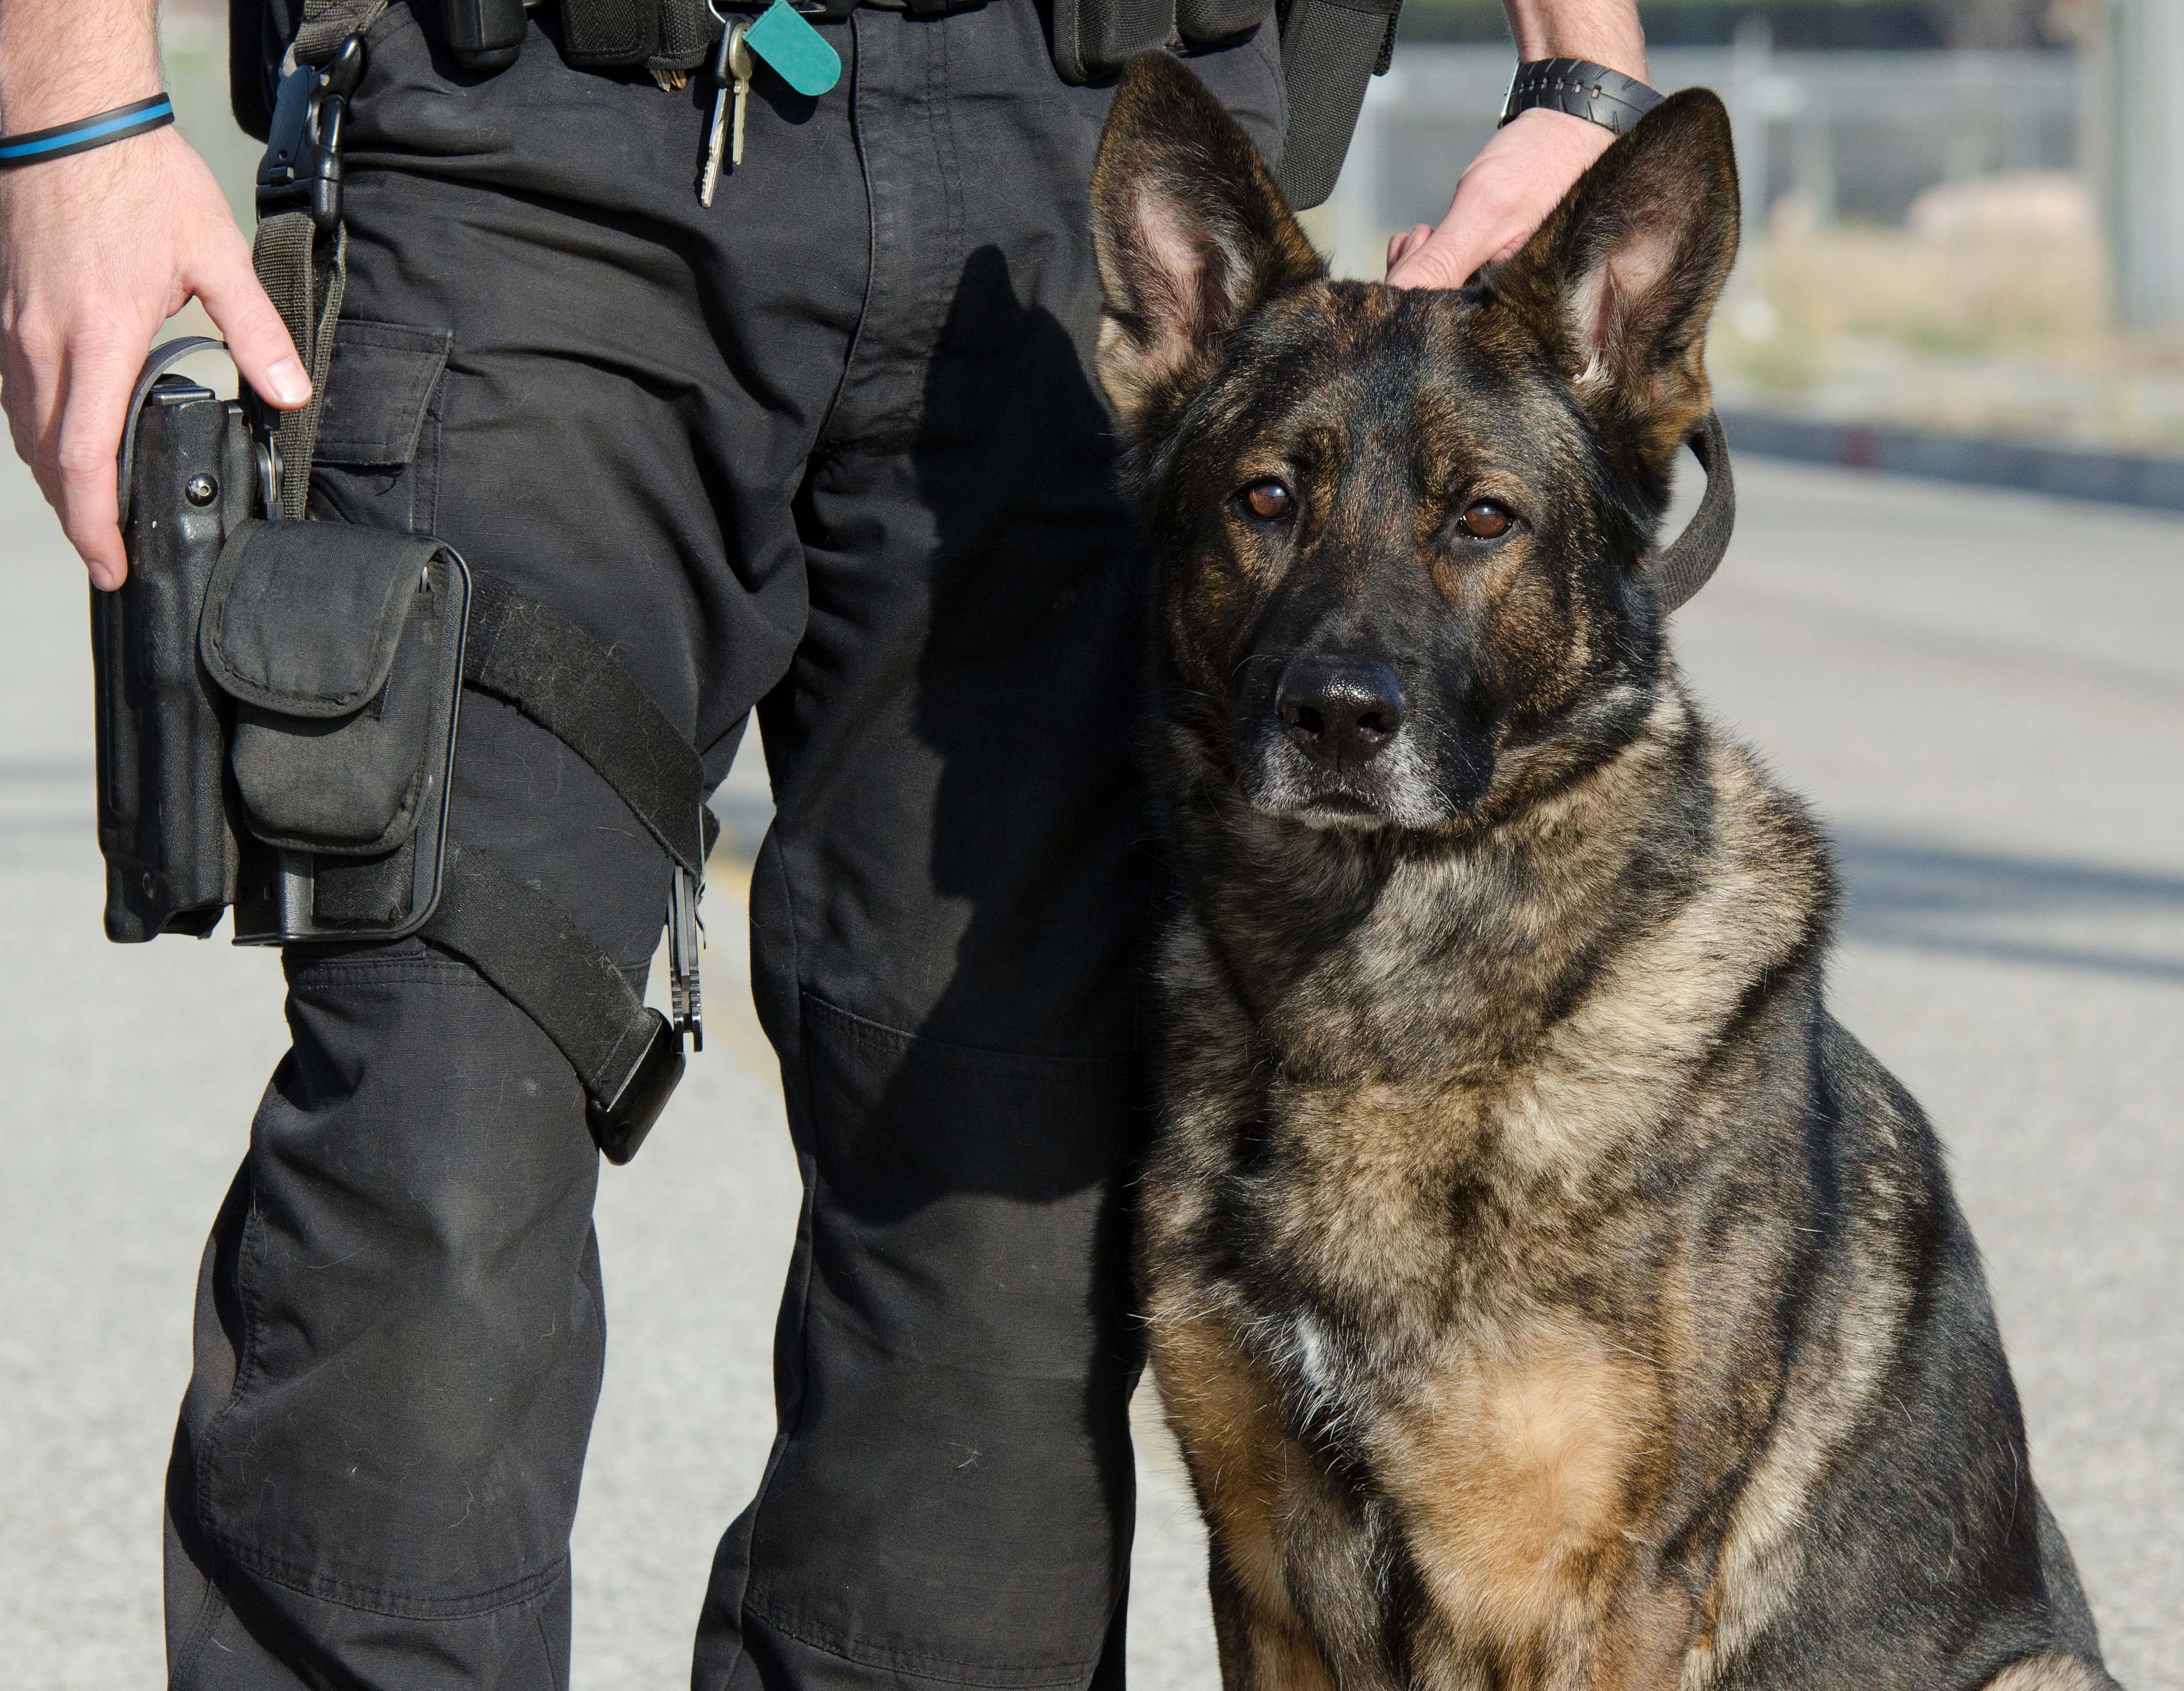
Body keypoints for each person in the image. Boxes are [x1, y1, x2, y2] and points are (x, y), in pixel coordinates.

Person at [0, 0, 1659, 1685]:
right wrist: (75, 116)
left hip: (1091, 139)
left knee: (998, 1289)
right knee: (426, 1160)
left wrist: (1581, 63)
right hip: (543, 154)